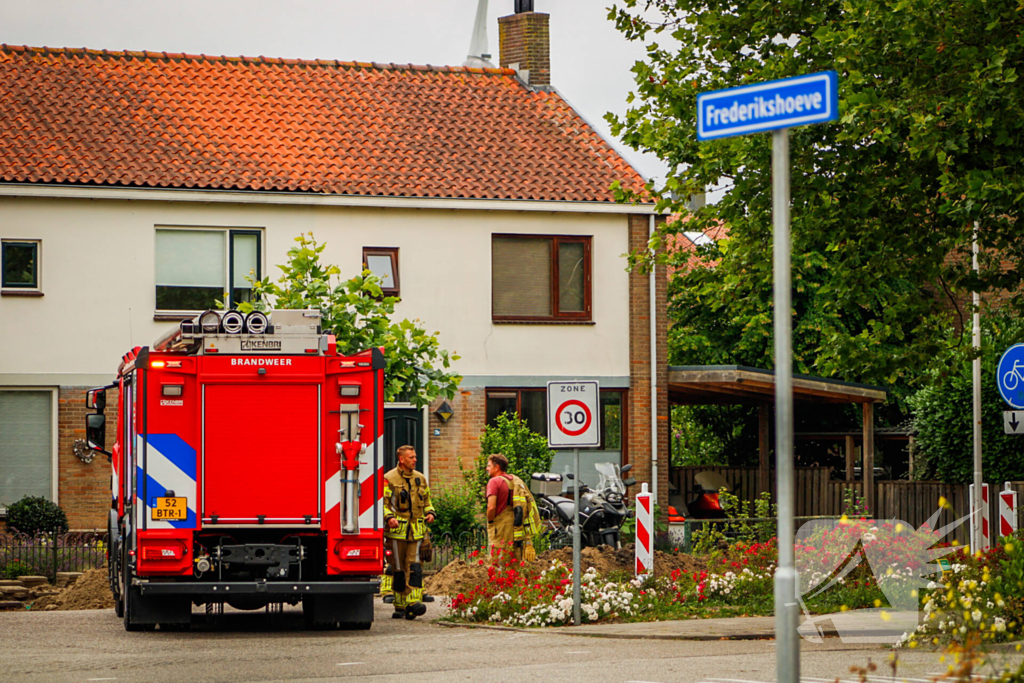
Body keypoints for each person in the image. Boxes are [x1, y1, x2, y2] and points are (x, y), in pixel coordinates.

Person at [382, 445, 435, 619]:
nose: (415, 460)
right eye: (411, 457)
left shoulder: (420, 478)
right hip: (397, 533)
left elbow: (427, 499)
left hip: (416, 532)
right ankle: (400, 605)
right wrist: (389, 517)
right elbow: (383, 503)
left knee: (414, 567)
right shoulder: (388, 478)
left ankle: (413, 603)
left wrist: (430, 512)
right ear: (402, 459)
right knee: (398, 569)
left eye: (415, 456)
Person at [485, 453, 515, 564]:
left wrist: (490, 521)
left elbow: (491, 506)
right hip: (512, 524)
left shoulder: (494, 481)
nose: (487, 468)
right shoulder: (512, 480)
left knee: (496, 560)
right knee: (510, 558)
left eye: (489, 466)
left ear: (496, 467)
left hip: (499, 525)